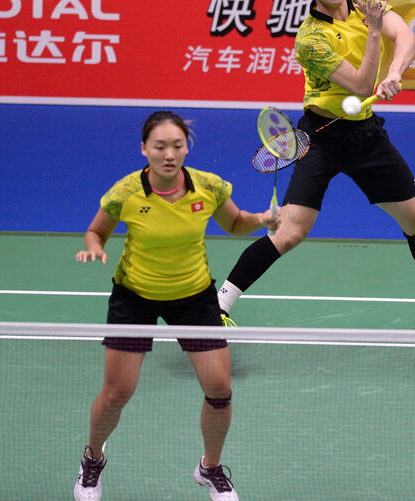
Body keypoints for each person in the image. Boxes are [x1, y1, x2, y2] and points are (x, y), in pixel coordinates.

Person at [216, 0, 415, 329]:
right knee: (290, 231)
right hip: (321, 137)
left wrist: (396, 72)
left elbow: (409, 37)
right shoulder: (311, 39)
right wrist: (376, 32)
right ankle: (219, 305)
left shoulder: (365, 1)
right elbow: (363, 86)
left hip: (365, 135)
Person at [73, 111, 276, 501]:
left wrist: (263, 220)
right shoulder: (126, 192)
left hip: (194, 295)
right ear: (144, 148)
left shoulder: (208, 186)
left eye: (177, 146)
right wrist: (94, 248)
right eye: (160, 146)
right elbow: (96, 229)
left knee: (219, 388)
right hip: (135, 295)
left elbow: (235, 224)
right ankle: (93, 458)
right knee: (117, 392)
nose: (169, 154)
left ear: (188, 147)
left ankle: (210, 468)